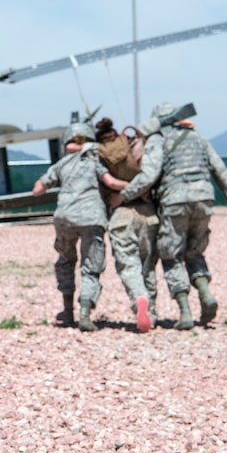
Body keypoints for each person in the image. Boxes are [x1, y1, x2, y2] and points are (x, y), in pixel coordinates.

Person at [111, 102, 227, 330]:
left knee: (171, 255)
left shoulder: (158, 141)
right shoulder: (198, 138)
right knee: (195, 251)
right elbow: (220, 170)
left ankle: (185, 312)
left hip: (174, 200)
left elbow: (149, 176)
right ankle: (205, 293)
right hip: (204, 198)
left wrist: (123, 196)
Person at [32, 121, 107, 332]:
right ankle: (85, 313)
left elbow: (37, 190)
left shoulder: (61, 165)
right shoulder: (96, 161)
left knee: (66, 260)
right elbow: (109, 182)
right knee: (91, 266)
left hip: (64, 218)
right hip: (92, 218)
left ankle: (67, 310)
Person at [95, 117, 158, 332]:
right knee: (148, 264)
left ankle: (139, 299)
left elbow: (110, 183)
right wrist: (141, 189)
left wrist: (123, 193)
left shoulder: (99, 155)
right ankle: (153, 312)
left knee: (129, 265)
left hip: (121, 211)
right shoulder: (135, 145)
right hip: (148, 211)